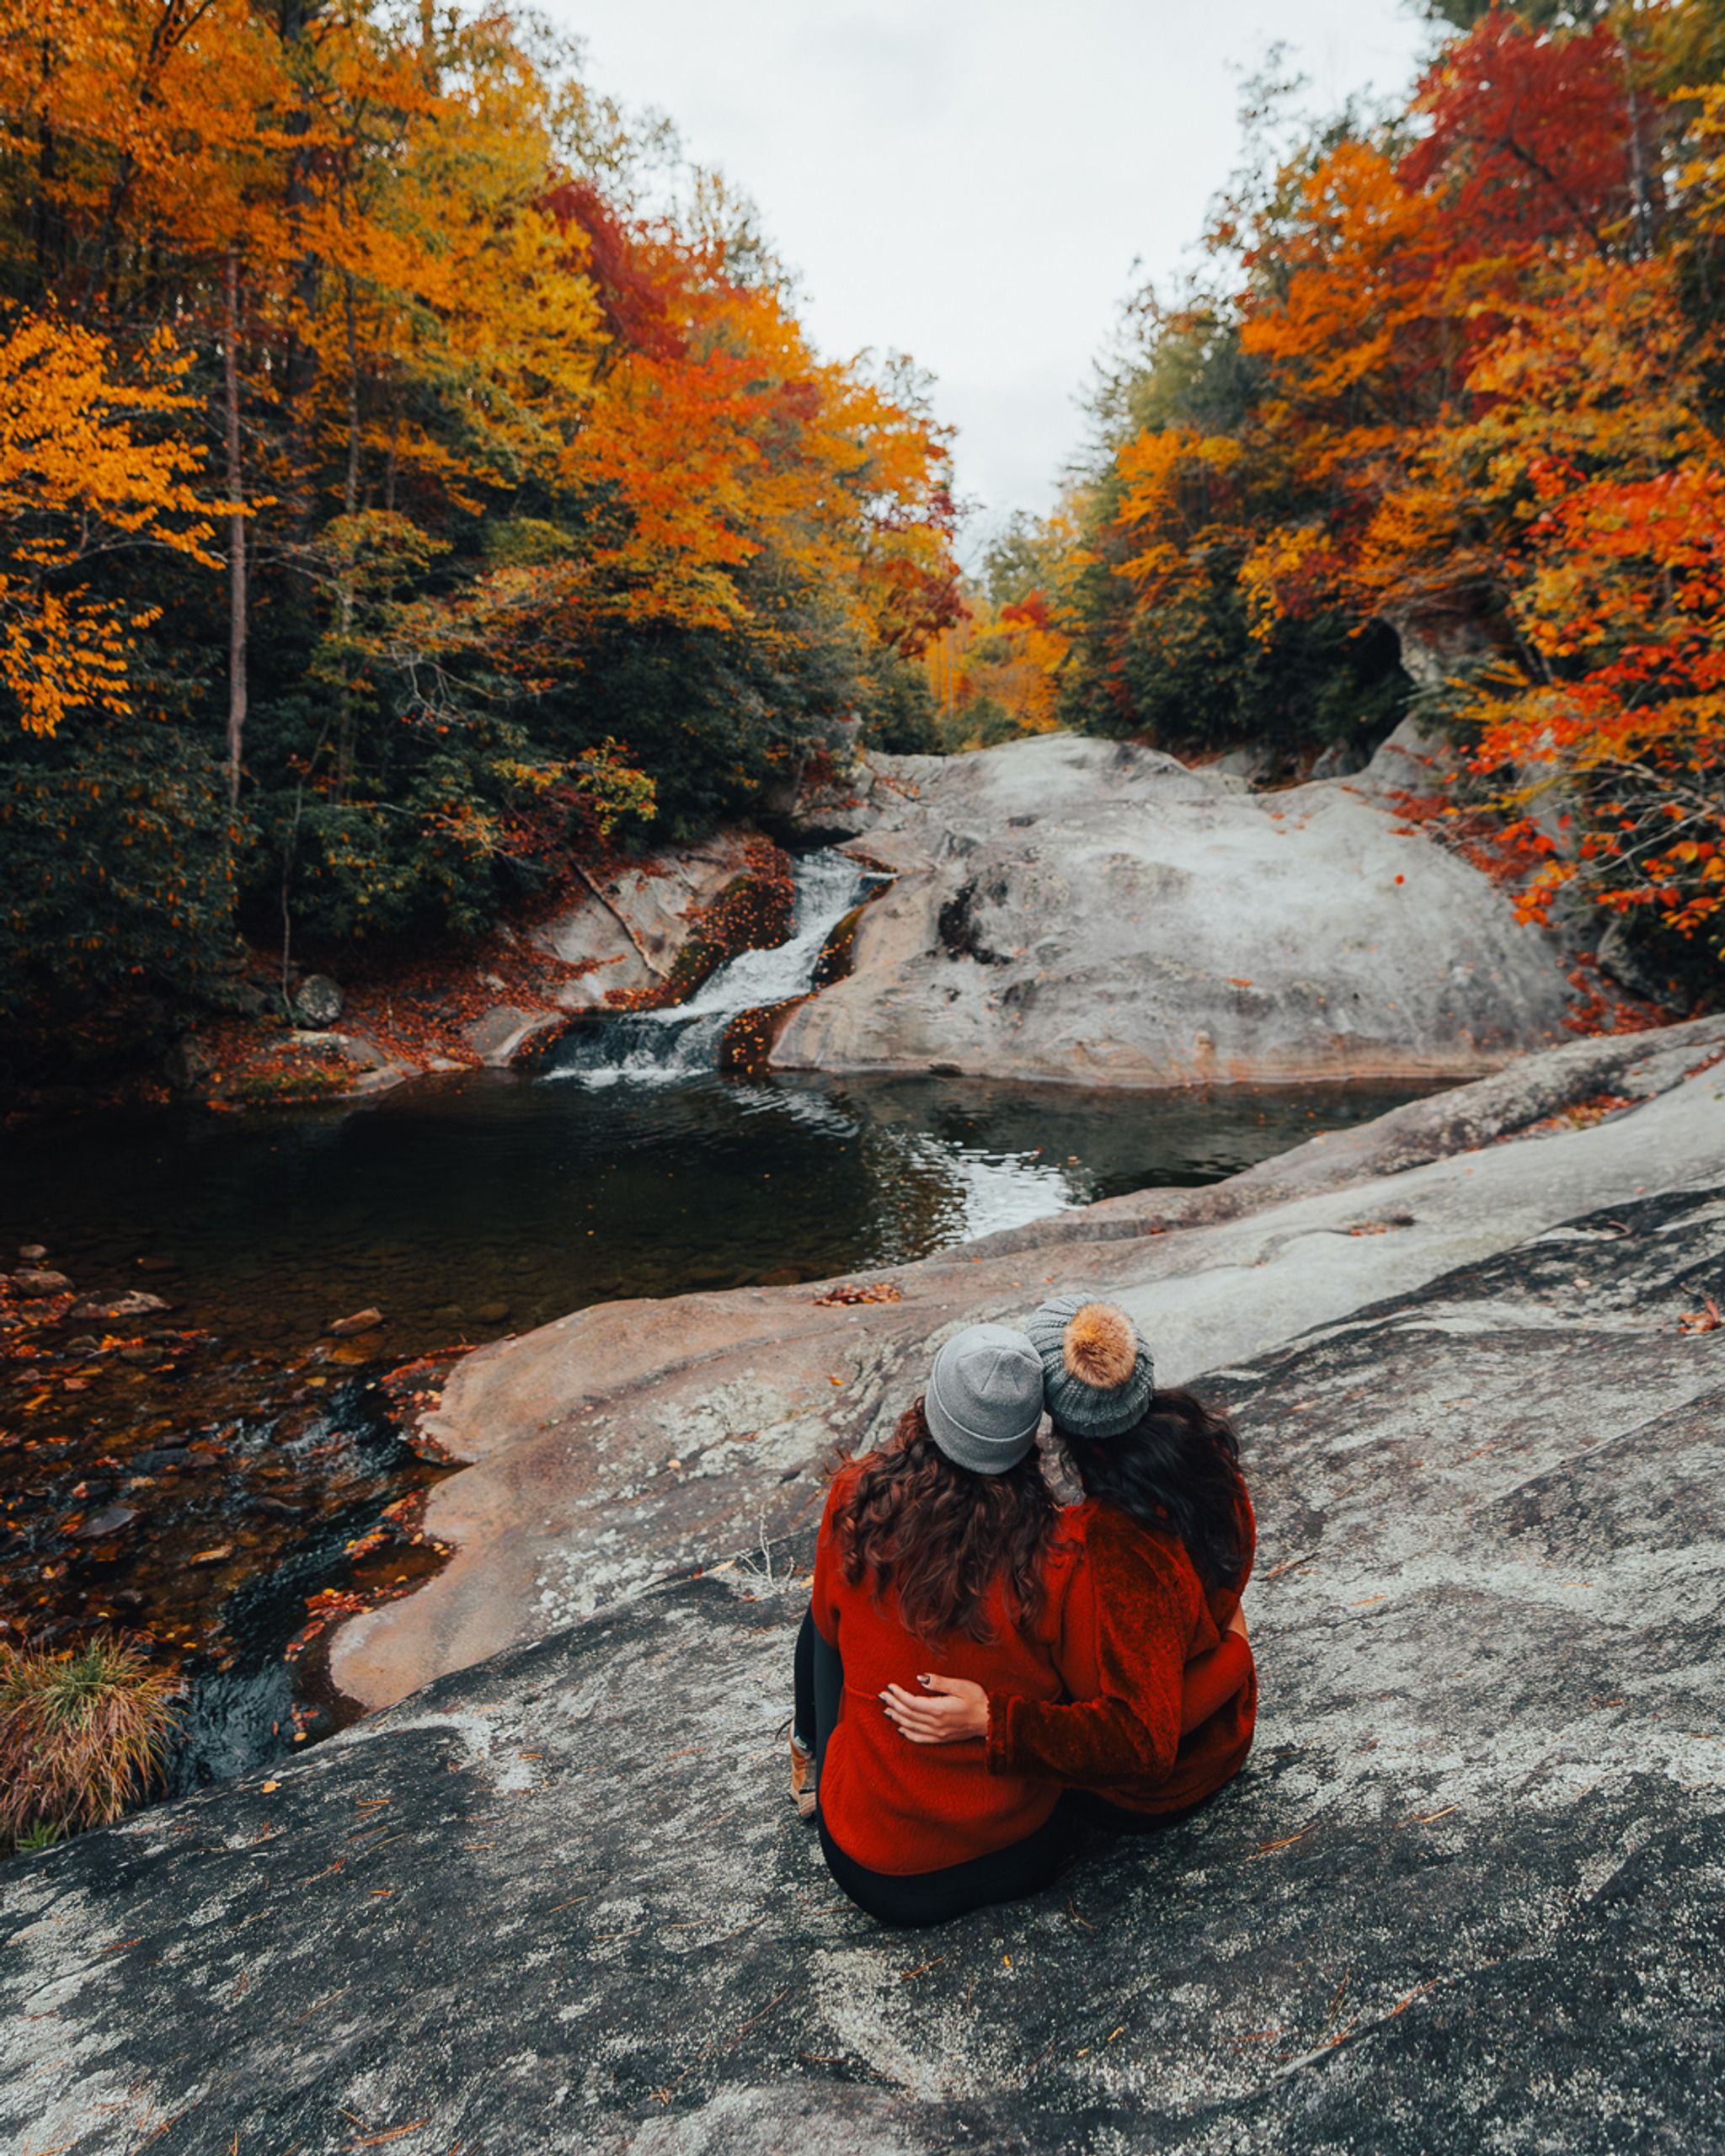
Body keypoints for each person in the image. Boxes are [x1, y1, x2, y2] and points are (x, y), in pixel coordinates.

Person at [882, 1295, 1256, 1831]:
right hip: (1224, 1724)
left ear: (1049, 1409)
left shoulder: (1115, 1542)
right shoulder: (1204, 1450)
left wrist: (993, 1721)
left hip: (1167, 1782)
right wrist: (1234, 1651)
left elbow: (1142, 1742)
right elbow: (1224, 1585)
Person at [788, 1321, 1087, 1927]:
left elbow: (828, 1628)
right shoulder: (1061, 1549)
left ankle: (810, 1754)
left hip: (879, 1871)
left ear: (932, 1409)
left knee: (823, 1619)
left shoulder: (856, 1502)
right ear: (1030, 1435)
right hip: (1029, 1848)